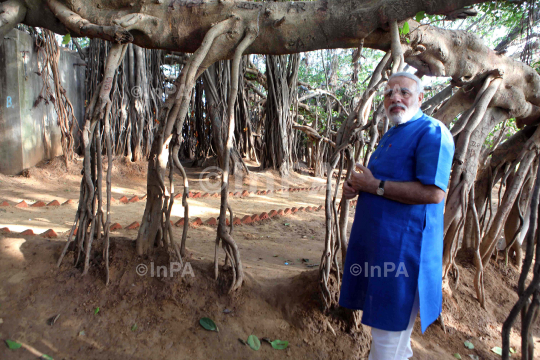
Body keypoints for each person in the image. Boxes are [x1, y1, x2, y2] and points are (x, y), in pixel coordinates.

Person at [339, 72, 455, 360]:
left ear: (420, 97)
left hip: (403, 256)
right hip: (381, 251)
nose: (395, 98)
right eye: (389, 93)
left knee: (386, 337)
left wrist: (374, 186)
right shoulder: (392, 133)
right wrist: (358, 187)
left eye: (404, 92)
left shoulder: (432, 132)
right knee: (393, 342)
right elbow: (380, 183)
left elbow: (434, 193)